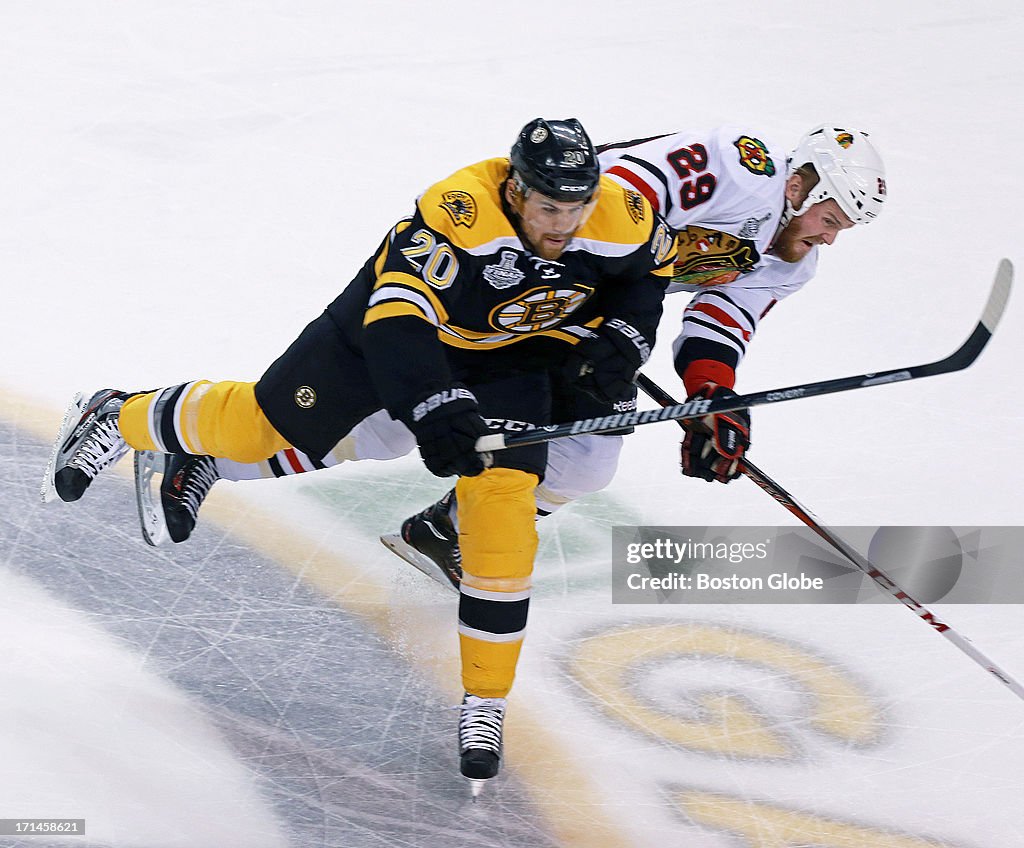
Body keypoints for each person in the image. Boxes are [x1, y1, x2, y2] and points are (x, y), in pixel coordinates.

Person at [43, 117, 677, 787]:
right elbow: (399, 319)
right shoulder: (460, 210)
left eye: (577, 205)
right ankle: (119, 414)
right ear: (517, 191)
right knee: (264, 426)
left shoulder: (622, 213)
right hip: (385, 332)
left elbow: (651, 274)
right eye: (551, 206)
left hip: (509, 357)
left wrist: (629, 338)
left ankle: (485, 701)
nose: (566, 223)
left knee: (502, 512)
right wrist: (434, 404)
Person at [140, 124, 886, 592]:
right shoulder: (738, 165)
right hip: (547, 284)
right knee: (394, 426)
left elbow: (722, 321)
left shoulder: (793, 260)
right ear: (800, 182)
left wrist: (713, 401)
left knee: (586, 465)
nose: (829, 235)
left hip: (600, 324)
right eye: (831, 215)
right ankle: (205, 452)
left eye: (845, 227)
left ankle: (443, 531)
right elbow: (622, 194)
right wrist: (610, 307)